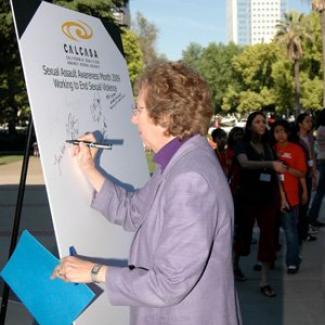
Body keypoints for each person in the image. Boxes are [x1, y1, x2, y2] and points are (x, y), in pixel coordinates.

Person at [52, 62, 242, 325]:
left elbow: (169, 284)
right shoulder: (178, 161)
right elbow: (133, 212)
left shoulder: (190, 178)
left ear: (165, 117)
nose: (133, 118)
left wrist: (94, 272)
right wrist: (88, 167)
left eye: (138, 109)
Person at [233, 111, 287, 297]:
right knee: (244, 234)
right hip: (247, 196)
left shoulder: (268, 146)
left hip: (268, 196)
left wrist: (283, 197)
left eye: (263, 122)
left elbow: (276, 173)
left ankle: (264, 281)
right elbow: (244, 164)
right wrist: (269, 164)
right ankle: (235, 264)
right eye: (257, 122)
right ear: (250, 126)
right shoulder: (242, 145)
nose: (262, 124)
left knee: (268, 237)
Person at [272, 119, 307, 274]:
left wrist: (286, 169)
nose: (280, 134)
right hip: (272, 198)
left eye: (283, 131)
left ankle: (292, 261)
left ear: (288, 132)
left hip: (291, 197)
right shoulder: (270, 149)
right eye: (277, 131)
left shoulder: (296, 149)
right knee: (272, 231)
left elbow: (301, 173)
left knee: (290, 231)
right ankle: (267, 259)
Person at [296, 113, 318, 241]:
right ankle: (300, 231)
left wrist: (314, 173)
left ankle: (303, 231)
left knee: (305, 203)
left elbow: (312, 156)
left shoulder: (309, 137)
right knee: (299, 204)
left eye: (310, 121)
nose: (310, 123)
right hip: (298, 174)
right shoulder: (296, 138)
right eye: (307, 121)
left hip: (308, 173)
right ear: (300, 124)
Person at [308, 108, 325, 227]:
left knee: (320, 192)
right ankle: (312, 216)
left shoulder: (320, 128)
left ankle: (312, 216)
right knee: (320, 192)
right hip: (324, 160)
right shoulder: (323, 129)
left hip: (321, 159)